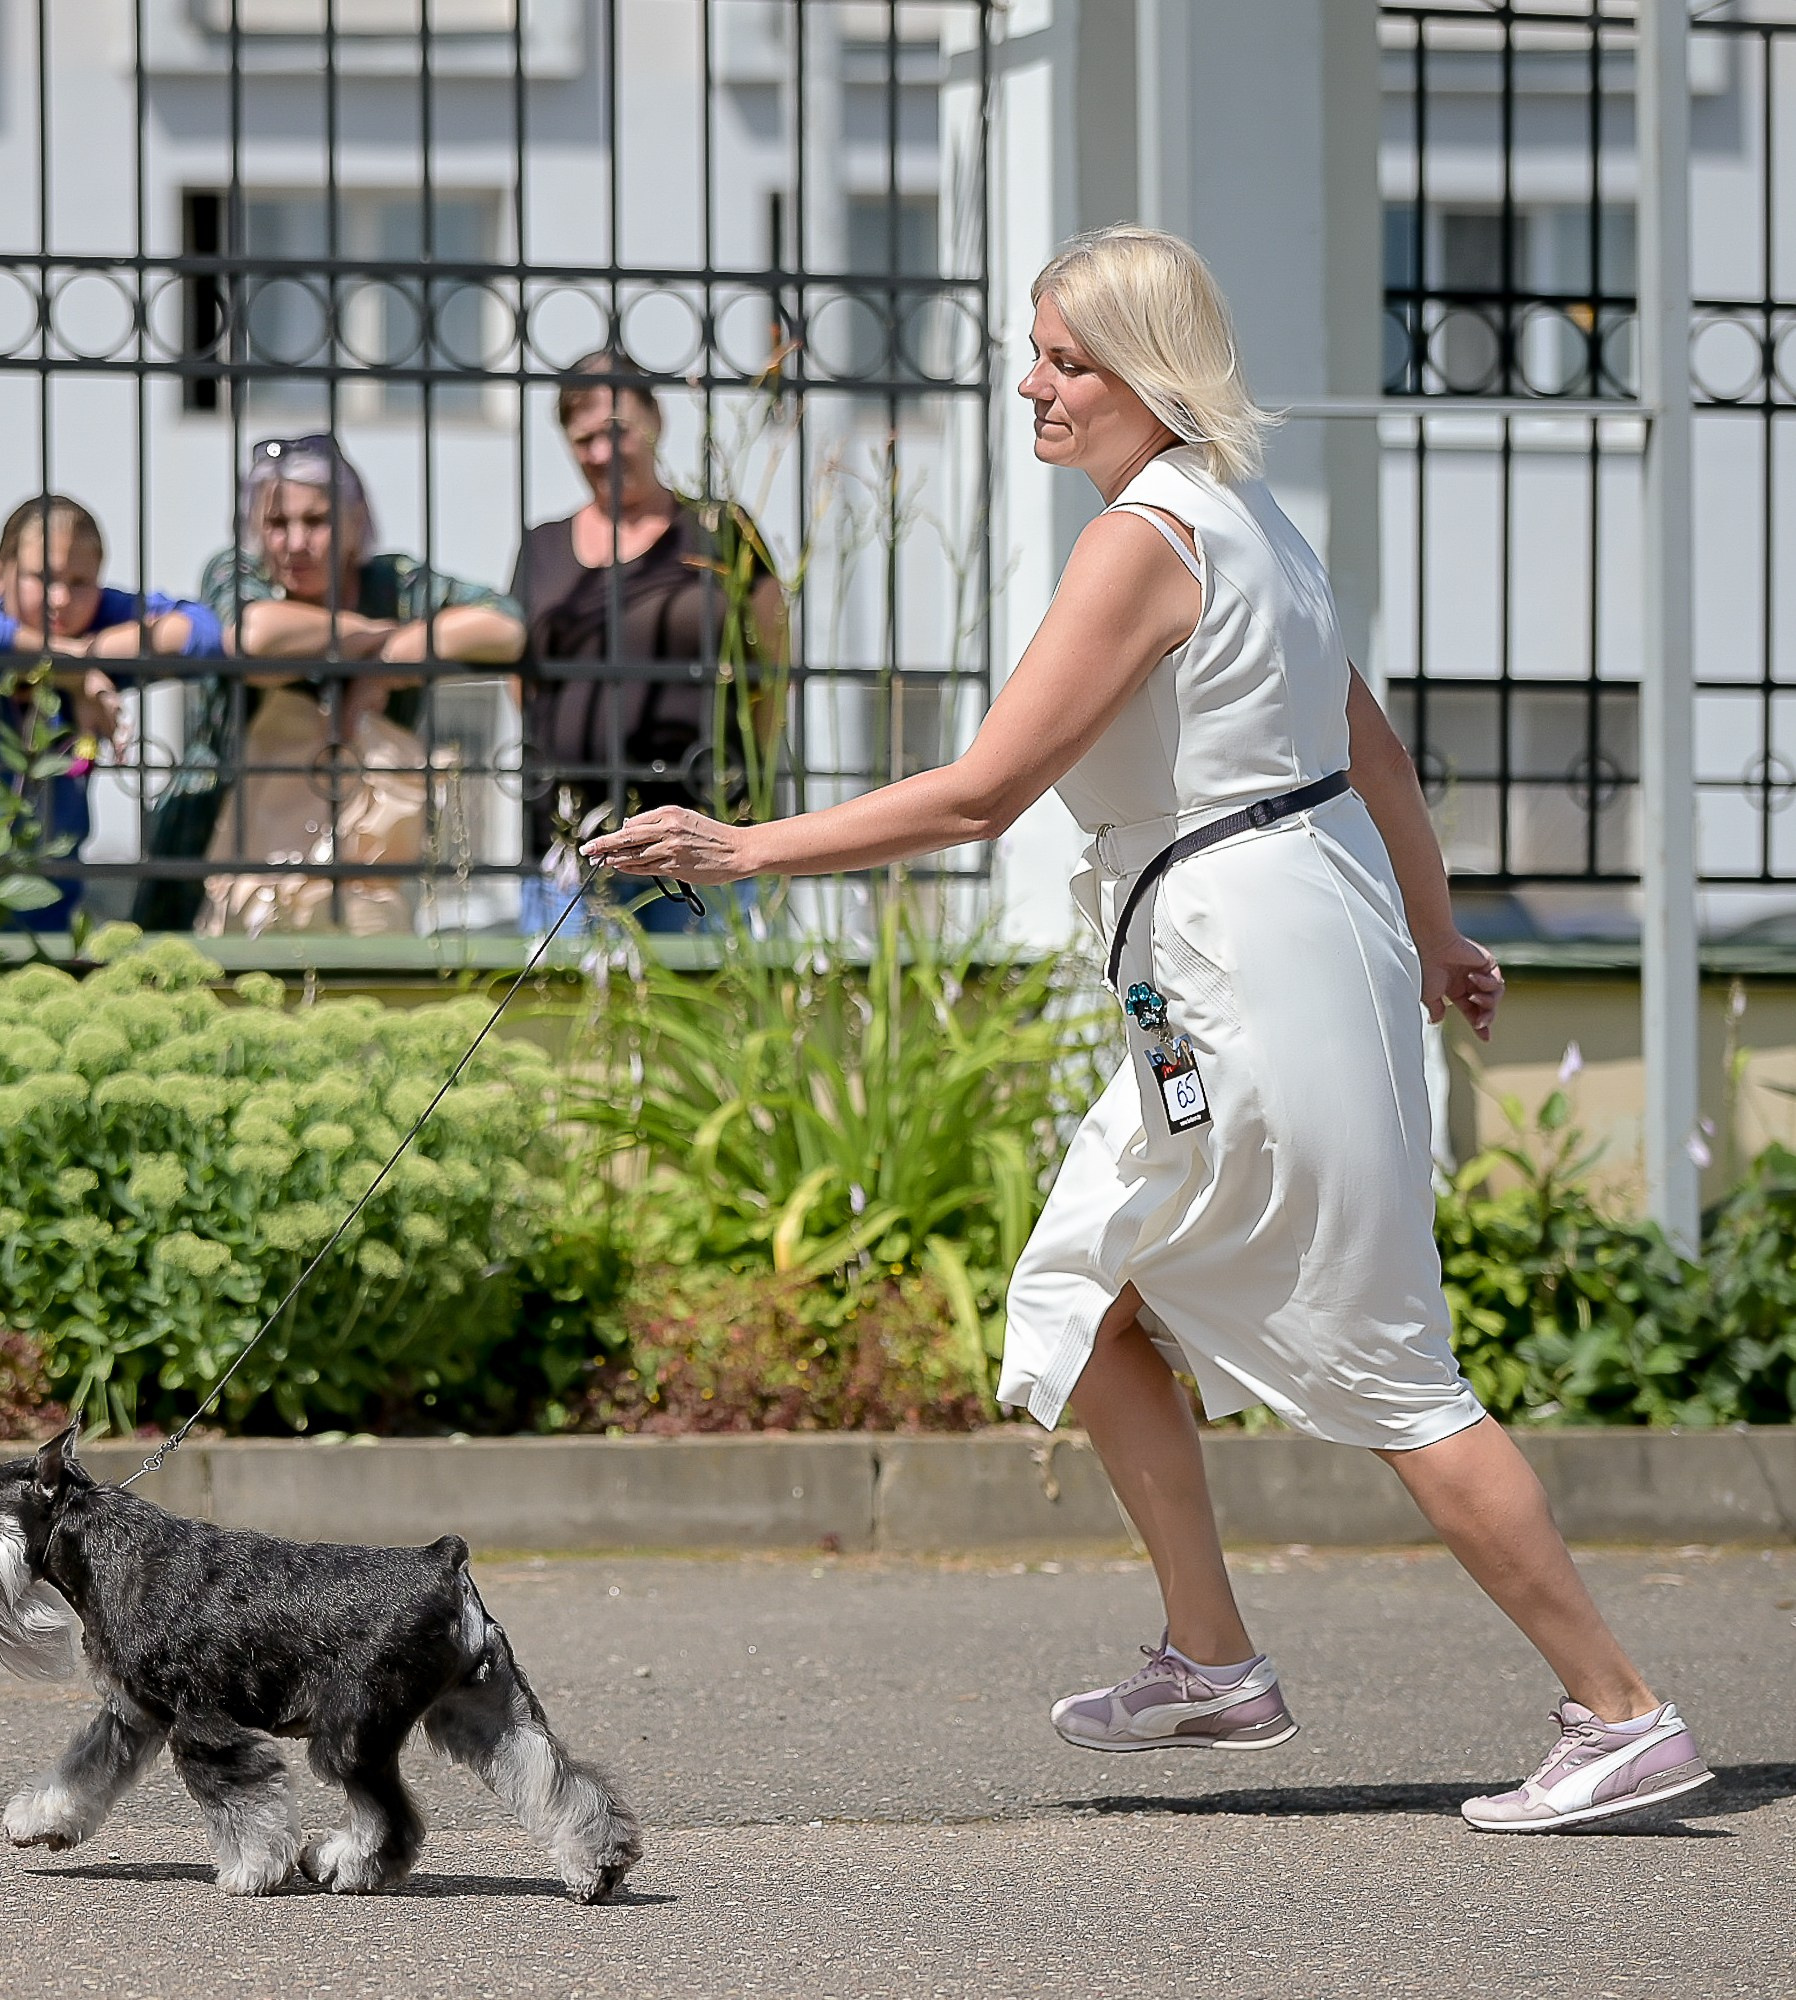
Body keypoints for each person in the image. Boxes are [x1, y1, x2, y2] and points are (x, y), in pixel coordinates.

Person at [586, 226, 1710, 1834]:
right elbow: (1371, 750)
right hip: (1251, 954)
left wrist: (743, 846)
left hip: (1254, 969)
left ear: (1147, 376)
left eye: (1065, 359)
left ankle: (1621, 1711)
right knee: (1086, 1292)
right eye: (1033, 352)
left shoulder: (1143, 539)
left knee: (1390, 1368)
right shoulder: (1249, 520)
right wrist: (1438, 926)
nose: (1032, 385)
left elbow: (983, 791)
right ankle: (1213, 1661)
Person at [134, 434, 523, 933]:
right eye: (277, 524)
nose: (296, 543)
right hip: (220, 861)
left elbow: (504, 626)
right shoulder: (236, 572)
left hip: (362, 861)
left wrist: (389, 660)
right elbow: (254, 637)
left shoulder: (394, 584)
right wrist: (375, 635)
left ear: (356, 524)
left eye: (316, 521)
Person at [514, 351, 786, 933]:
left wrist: (747, 784)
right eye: (583, 439)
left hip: (705, 840)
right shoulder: (541, 548)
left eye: (616, 431)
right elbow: (525, 683)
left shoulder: (720, 530)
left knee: (710, 1016)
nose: (601, 453)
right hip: (571, 846)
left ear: (655, 421)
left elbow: (776, 662)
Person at [0, 495, 221, 934]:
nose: (61, 599)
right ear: (0, 573)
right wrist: (77, 671)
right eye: (41, 577)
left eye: (80, 582)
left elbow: (202, 633)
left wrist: (81, 660)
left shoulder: (101, 618)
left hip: (39, 907)